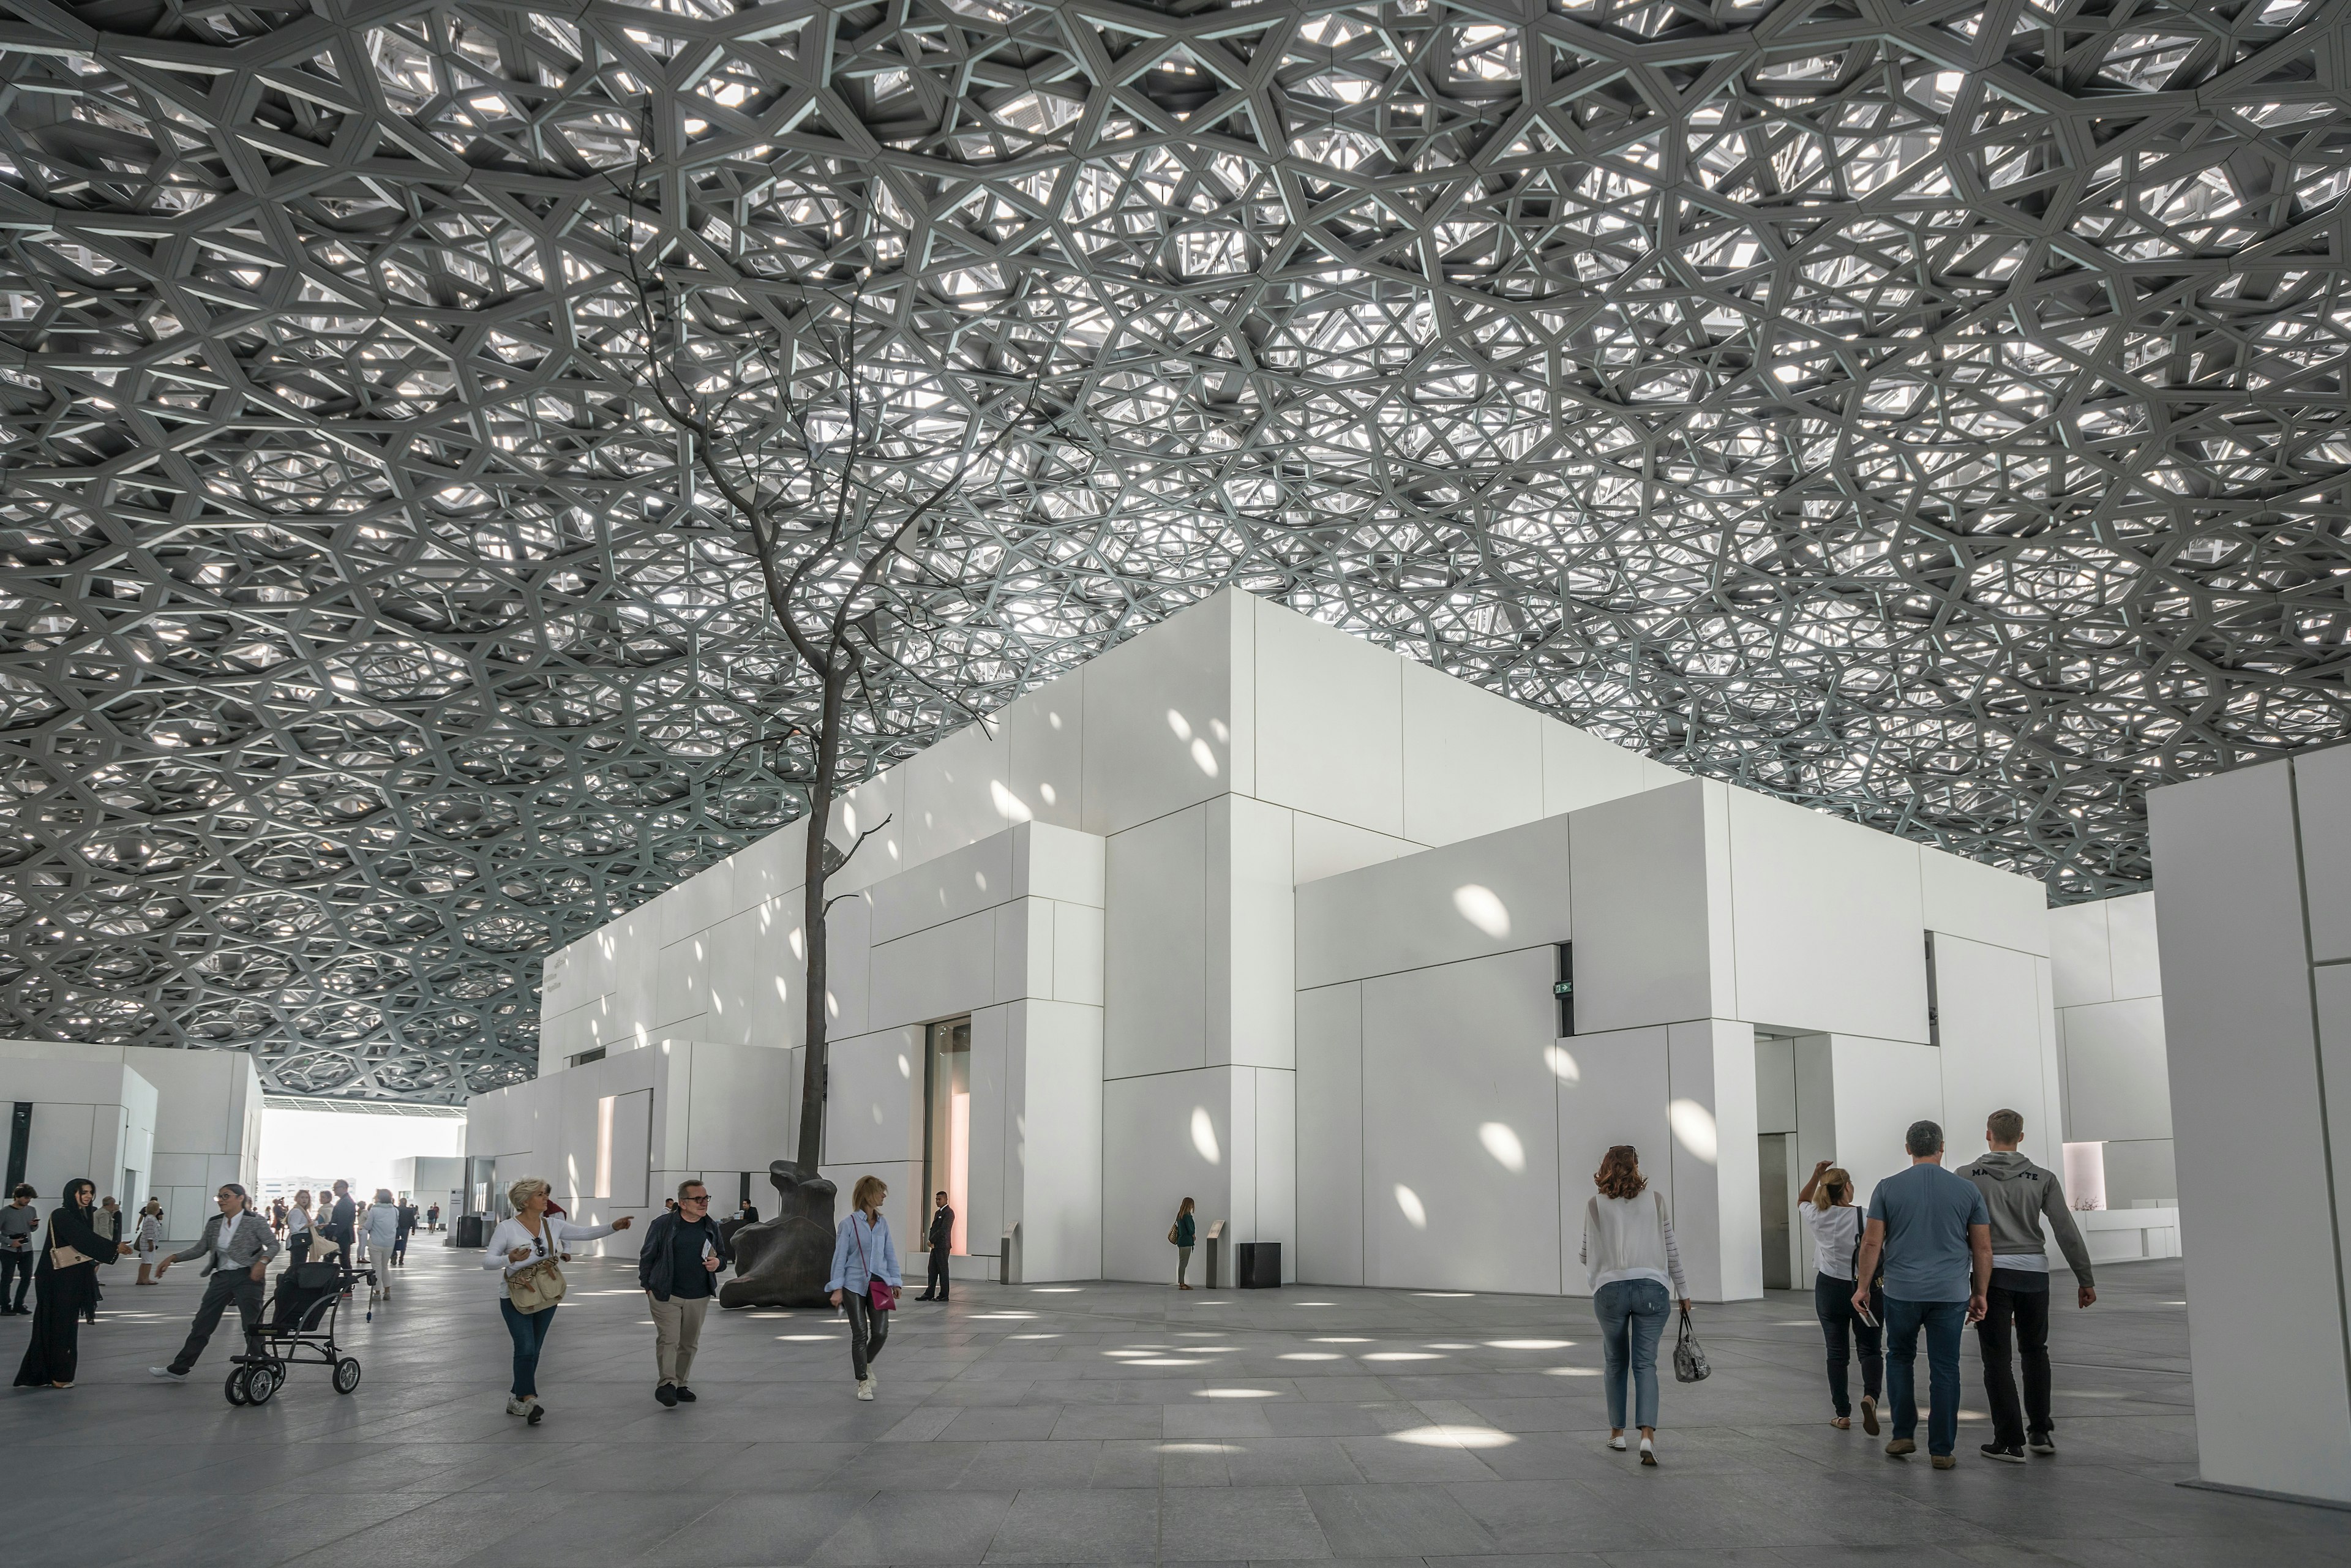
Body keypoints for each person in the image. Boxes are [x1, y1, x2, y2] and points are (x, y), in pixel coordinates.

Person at [1853, 1120, 1992, 1469]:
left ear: (1908, 1147)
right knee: (1946, 1367)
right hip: (1950, 1292)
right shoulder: (1967, 1191)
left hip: (1903, 1291)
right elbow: (1983, 1250)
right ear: (1941, 1147)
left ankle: (1902, 1435)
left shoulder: (1887, 1188)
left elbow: (1871, 1242)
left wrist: (1863, 1286)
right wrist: (1980, 1294)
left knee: (1899, 1357)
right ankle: (1942, 1450)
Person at [1960, 1109, 2097, 1462]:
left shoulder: (1965, 1178)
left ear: (1987, 1133)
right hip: (2035, 1275)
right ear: (2021, 1137)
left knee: (1997, 1359)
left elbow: (1955, 1232)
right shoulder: (2043, 1178)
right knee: (2036, 1351)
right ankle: (2040, 1431)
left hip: (1991, 1276)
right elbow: (2065, 1230)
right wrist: (2085, 1277)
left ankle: (2008, 1441)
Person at [482, 1177, 631, 1424]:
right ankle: (530, 1400)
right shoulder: (507, 1228)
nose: (546, 1199)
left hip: (547, 1295)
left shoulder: (553, 1224)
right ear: (525, 1200)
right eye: (540, 1194)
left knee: (535, 1349)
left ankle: (516, 1398)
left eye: (545, 1194)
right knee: (526, 1348)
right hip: (515, 1297)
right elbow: (488, 1262)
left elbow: (586, 1232)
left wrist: (613, 1227)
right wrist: (509, 1258)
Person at [1580, 1144, 1692, 1466]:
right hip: (1652, 1290)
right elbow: (1672, 1249)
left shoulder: (1595, 1204)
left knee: (1616, 1363)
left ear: (1605, 1167)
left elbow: (1585, 1254)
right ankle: (1647, 1437)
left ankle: (1617, 1434)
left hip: (1610, 1290)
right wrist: (1683, 1292)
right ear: (1636, 1167)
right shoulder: (1656, 1200)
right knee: (1646, 1365)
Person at [148, 1185, 281, 1383]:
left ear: (240, 1198)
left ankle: (260, 1365)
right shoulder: (214, 1223)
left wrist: (262, 1262)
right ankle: (180, 1369)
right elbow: (200, 1249)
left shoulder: (255, 1222)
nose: (221, 1200)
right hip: (221, 1277)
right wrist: (173, 1258)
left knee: (252, 1324)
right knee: (202, 1323)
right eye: (219, 1196)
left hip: (248, 1277)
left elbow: (273, 1244)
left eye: (226, 1196)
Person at [13, 1179, 131, 1388]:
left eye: (90, 1192)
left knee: (58, 1325)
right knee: (60, 1326)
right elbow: (82, 1239)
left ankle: (43, 1374)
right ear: (71, 1193)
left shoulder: (82, 1215)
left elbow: (84, 1239)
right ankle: (59, 1376)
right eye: (83, 1192)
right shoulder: (62, 1214)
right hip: (57, 1279)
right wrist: (114, 1248)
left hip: (69, 1277)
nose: (88, 1196)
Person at [1799, 1160, 1881, 1433]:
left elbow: (1802, 1199)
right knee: (1870, 1349)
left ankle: (1842, 1414)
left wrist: (1815, 1176)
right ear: (1848, 1188)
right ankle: (1870, 1397)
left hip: (1829, 1288)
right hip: (1865, 1288)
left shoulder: (1816, 1214)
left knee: (1836, 1353)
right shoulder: (1867, 1215)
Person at [638, 1179, 731, 1406]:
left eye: (706, 1198)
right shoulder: (663, 1225)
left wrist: (717, 1263)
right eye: (697, 1199)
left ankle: (681, 1384)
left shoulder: (711, 1226)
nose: (703, 1203)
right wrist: (648, 1287)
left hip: (699, 1294)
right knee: (669, 1339)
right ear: (682, 1203)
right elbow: (647, 1256)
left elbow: (723, 1257)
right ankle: (667, 1384)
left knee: (689, 1342)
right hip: (665, 1292)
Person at [827, 1175, 901, 1401]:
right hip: (853, 1285)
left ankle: (865, 1362)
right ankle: (863, 1382)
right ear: (869, 1194)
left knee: (880, 1333)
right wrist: (837, 1287)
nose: (884, 1196)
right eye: (881, 1191)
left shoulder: (883, 1224)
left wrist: (895, 1280)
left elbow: (889, 1253)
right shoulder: (848, 1224)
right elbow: (839, 1258)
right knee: (860, 1333)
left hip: (878, 1283)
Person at [0, 1184, 37, 1315]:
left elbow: (32, 1229)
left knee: (27, 1277)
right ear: (17, 1197)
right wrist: (10, 1242)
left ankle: (19, 1304)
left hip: (27, 1250)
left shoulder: (31, 1210)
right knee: (7, 1279)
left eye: (30, 1198)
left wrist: (34, 1225)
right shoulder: (5, 1212)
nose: (28, 1201)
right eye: (26, 1198)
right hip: (8, 1250)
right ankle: (5, 1306)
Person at [88, 1197, 122, 1322]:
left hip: (96, 1241)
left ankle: (93, 1278)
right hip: (100, 1242)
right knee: (96, 1262)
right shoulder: (103, 1214)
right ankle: (92, 1279)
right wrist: (111, 1246)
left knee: (96, 1262)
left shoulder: (101, 1212)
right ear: (112, 1204)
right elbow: (104, 1230)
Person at [361, 1188, 399, 1299]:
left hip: (376, 1242)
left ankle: (377, 1293)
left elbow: (368, 1226)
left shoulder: (374, 1209)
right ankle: (387, 1292)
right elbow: (395, 1225)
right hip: (389, 1243)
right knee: (384, 1267)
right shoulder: (395, 1210)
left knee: (376, 1268)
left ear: (380, 1198)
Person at [917, 1190, 953, 1302]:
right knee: (932, 1270)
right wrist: (931, 1241)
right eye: (936, 1199)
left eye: (940, 1199)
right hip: (935, 1246)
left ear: (946, 1200)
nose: (937, 1201)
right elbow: (934, 1228)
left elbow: (944, 1230)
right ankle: (929, 1294)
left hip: (943, 1246)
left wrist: (931, 1240)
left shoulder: (949, 1213)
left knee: (943, 1271)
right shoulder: (938, 1213)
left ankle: (944, 1295)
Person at [133, 1199, 166, 1285]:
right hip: (148, 1244)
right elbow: (150, 1232)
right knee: (148, 1262)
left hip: (145, 1243)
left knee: (144, 1262)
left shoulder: (149, 1217)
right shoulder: (151, 1219)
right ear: (156, 1210)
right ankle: (146, 1279)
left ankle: (140, 1279)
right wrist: (151, 1244)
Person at [284, 1190, 313, 1270]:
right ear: (297, 1199)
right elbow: (294, 1227)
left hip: (299, 1242)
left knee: (297, 1264)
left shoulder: (301, 1210)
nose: (305, 1200)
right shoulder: (297, 1211)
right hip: (299, 1241)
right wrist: (309, 1225)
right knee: (298, 1265)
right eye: (302, 1197)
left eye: (307, 1198)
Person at [1171, 1197, 1196, 1289]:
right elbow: (1191, 1229)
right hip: (1187, 1241)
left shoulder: (1180, 1215)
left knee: (1182, 1262)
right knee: (1184, 1263)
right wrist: (1193, 1235)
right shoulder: (1187, 1216)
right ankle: (1182, 1284)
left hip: (1181, 1241)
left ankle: (1182, 1282)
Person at [394, 1199, 417, 1267]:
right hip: (406, 1229)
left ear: (399, 1202)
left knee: (394, 1242)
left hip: (397, 1228)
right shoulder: (410, 1210)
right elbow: (413, 1220)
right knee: (404, 1244)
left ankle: (394, 1255)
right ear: (406, 1203)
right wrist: (413, 1229)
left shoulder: (396, 1209)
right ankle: (401, 1259)